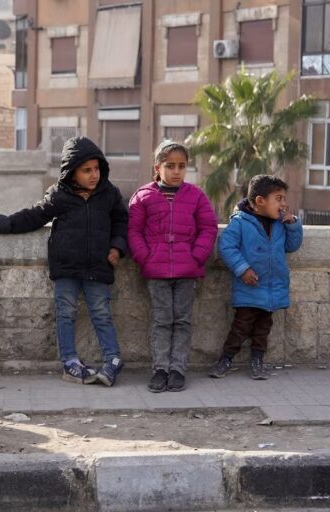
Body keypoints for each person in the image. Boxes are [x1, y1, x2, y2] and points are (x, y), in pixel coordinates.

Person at [0, 136, 129, 386]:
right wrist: (4, 223)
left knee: (102, 313)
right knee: (65, 314)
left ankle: (113, 359)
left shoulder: (109, 194)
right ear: (72, 173)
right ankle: (70, 362)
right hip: (66, 267)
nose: (93, 175)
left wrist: (117, 246)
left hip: (98, 267)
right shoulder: (59, 195)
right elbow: (35, 216)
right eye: (86, 170)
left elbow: (121, 221)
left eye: (96, 168)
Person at [128, 140, 218, 393]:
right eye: (170, 166)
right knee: (161, 320)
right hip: (156, 271)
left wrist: (196, 256)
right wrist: (145, 256)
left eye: (182, 166)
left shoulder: (196, 196)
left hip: (186, 270)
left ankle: (178, 369)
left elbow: (208, 228)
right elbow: (134, 230)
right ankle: (160, 369)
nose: (176, 171)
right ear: (158, 167)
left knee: (182, 320)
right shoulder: (143, 196)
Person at [208, 175, 303, 380]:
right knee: (240, 327)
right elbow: (226, 247)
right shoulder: (240, 222)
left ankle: (257, 361)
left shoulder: (280, 224)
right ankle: (225, 359)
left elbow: (291, 246)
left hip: (271, 289)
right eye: (278, 198)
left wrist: (293, 224)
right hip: (249, 288)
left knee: (263, 330)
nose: (283, 204)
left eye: (284, 198)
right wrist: (243, 269)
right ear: (260, 201)